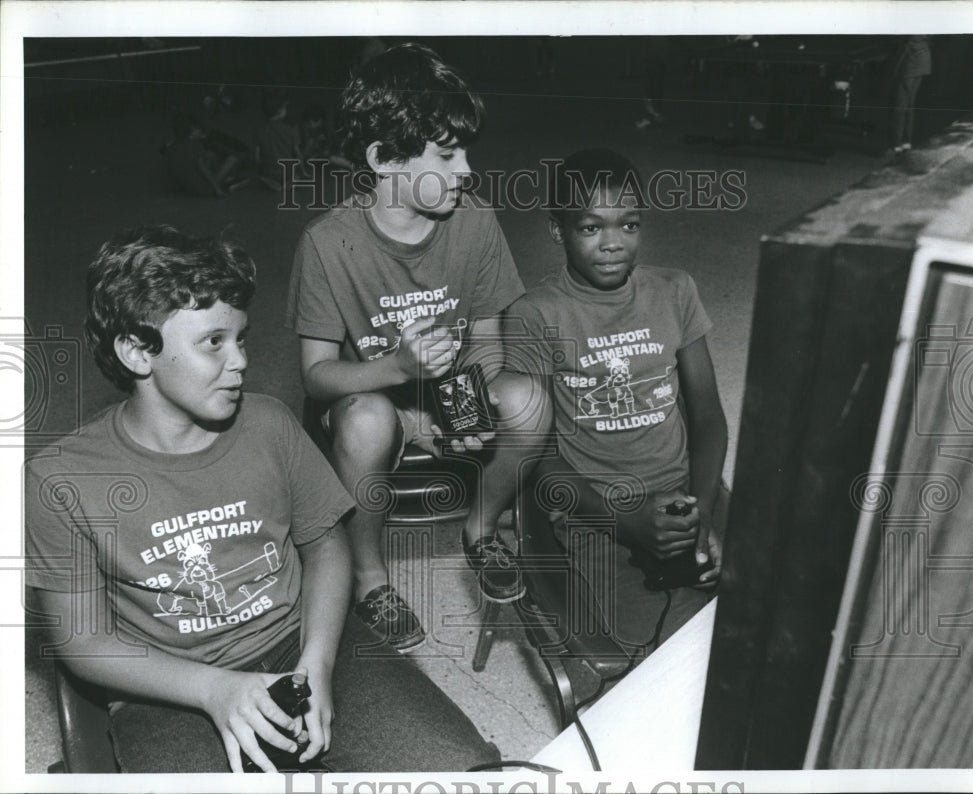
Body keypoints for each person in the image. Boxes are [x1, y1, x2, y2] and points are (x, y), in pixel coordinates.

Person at [24, 226, 500, 773]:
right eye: (213, 342)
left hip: (304, 644)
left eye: (241, 337)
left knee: (465, 771)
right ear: (135, 352)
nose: (241, 361)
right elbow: (82, 642)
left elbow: (325, 546)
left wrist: (317, 663)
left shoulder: (270, 423)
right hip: (172, 687)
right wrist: (214, 690)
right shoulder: (59, 479)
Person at [285, 43, 547, 651]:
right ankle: (369, 574)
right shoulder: (327, 243)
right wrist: (396, 365)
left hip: (454, 389)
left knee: (530, 400)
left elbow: (485, 340)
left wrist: (470, 405)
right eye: (446, 155)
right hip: (372, 392)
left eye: (464, 152)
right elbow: (317, 376)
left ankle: (481, 529)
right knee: (368, 419)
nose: (466, 170)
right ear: (383, 160)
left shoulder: (476, 222)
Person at [506, 148, 728, 652]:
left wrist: (704, 514)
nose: (613, 244)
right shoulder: (533, 313)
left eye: (629, 225)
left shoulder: (675, 290)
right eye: (590, 228)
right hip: (596, 507)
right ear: (557, 231)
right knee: (650, 653)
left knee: (768, 612)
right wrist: (623, 520)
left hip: (687, 490)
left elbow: (709, 415)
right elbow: (539, 455)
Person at [162, 112, 250, 197]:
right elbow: (202, 167)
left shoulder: (172, 147)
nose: (200, 131)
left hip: (189, 189)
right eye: (198, 129)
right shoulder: (195, 145)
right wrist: (216, 188)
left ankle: (224, 180)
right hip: (205, 189)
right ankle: (225, 181)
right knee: (233, 159)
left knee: (210, 154)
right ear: (192, 131)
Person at [889, 35, 932, 157]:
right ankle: (906, 141)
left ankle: (897, 143)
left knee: (900, 105)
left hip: (909, 62)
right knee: (909, 103)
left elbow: (905, 40)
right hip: (923, 59)